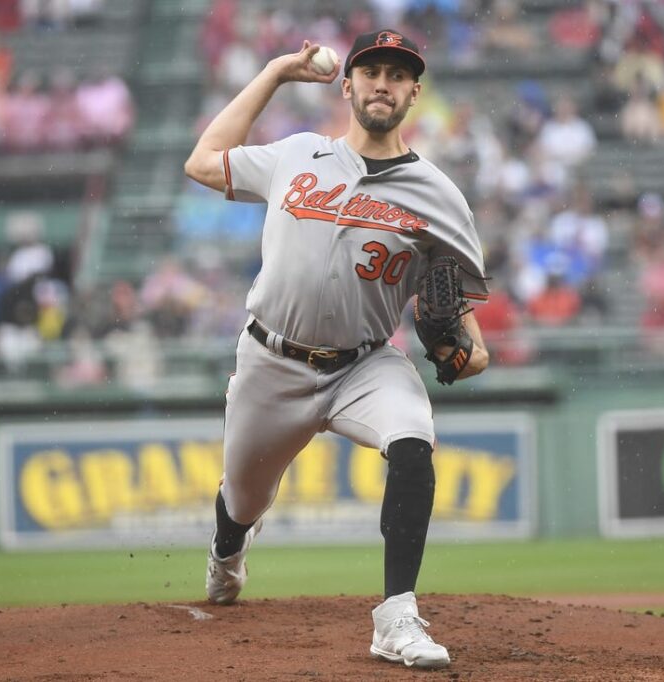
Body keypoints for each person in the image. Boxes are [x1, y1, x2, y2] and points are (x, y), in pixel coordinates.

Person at [184, 30, 490, 670]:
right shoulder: (298, 154)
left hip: (364, 365)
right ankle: (228, 551)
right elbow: (203, 159)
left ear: (414, 92)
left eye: (398, 75)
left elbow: (458, 316)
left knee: (413, 437)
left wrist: (471, 354)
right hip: (270, 361)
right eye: (371, 70)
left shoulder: (439, 196)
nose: (384, 83)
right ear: (346, 85)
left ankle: (397, 615)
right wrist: (274, 72)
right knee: (241, 500)